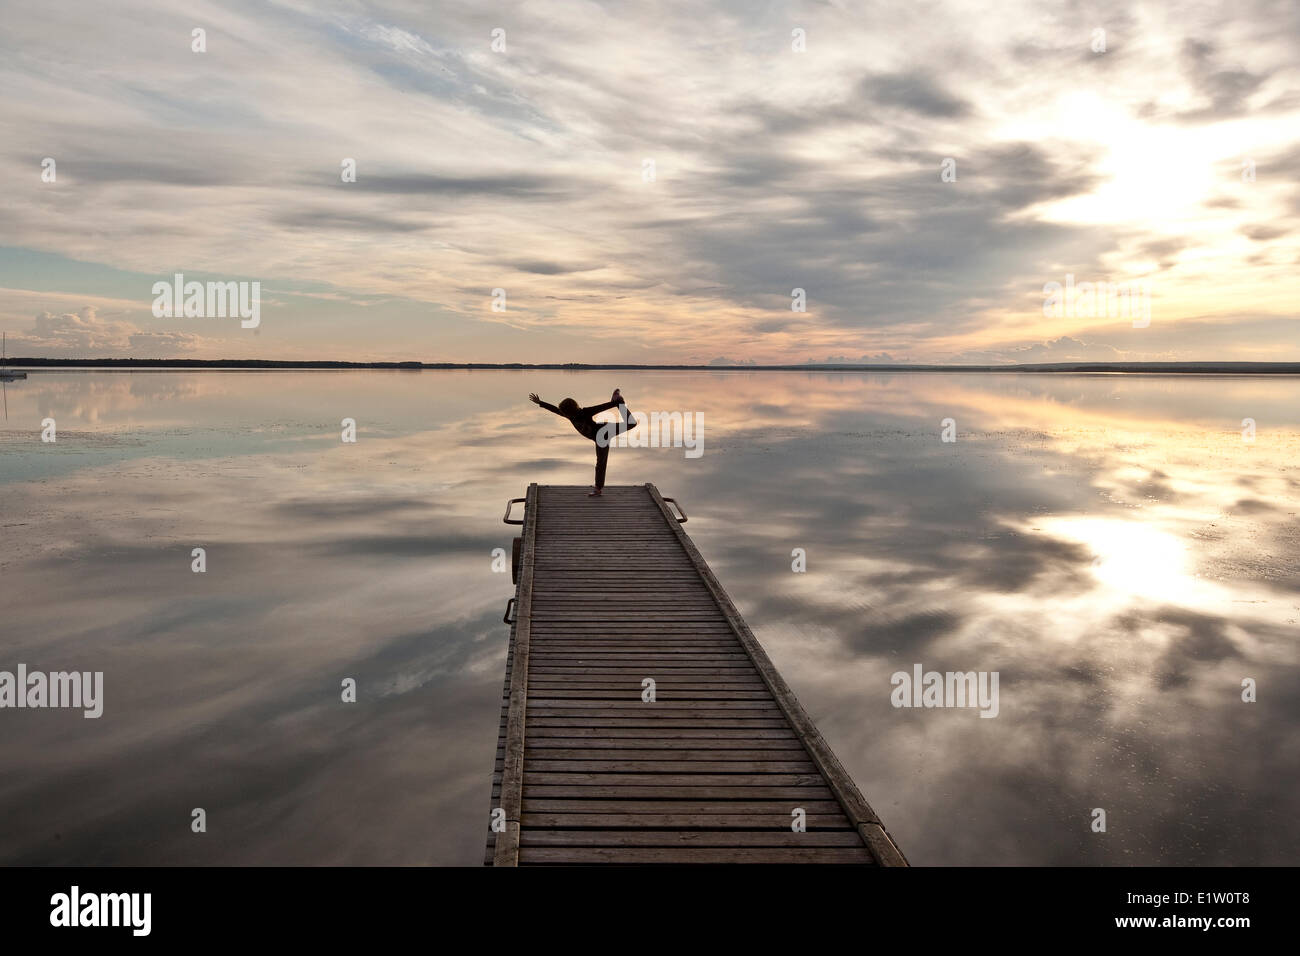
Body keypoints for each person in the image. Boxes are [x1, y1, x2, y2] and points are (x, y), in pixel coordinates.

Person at [529, 388, 638, 496]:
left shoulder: (585, 412)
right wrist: (540, 402)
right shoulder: (568, 415)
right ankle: (598, 488)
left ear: (571, 411)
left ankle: (619, 402)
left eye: (565, 413)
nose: (564, 415)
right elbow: (555, 410)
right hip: (600, 435)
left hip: (603, 432)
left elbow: (601, 407)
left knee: (601, 462)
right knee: (601, 462)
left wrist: (615, 403)